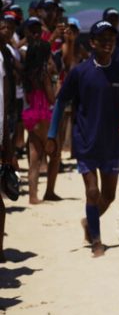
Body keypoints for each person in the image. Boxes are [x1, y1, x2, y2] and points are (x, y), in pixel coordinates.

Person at [46, 21, 119, 257]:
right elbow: (61, 102)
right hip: (85, 140)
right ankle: (97, 241)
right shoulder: (80, 71)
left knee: (109, 196)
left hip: (111, 143)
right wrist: (52, 134)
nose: (108, 43)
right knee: (93, 192)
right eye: (102, 39)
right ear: (92, 42)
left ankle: (89, 222)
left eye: (111, 39)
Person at [20, 40, 58, 204]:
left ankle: (32, 196)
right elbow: (51, 97)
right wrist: (56, 81)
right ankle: (49, 191)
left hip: (30, 115)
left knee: (34, 159)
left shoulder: (27, 73)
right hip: (43, 115)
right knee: (55, 155)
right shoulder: (44, 73)